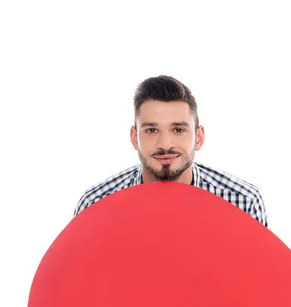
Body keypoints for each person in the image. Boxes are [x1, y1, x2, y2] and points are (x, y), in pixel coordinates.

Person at [73, 75, 268, 227]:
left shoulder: (243, 202)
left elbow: (261, 277)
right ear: (134, 138)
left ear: (199, 137)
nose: (165, 144)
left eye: (178, 130)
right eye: (151, 130)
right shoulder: (95, 206)